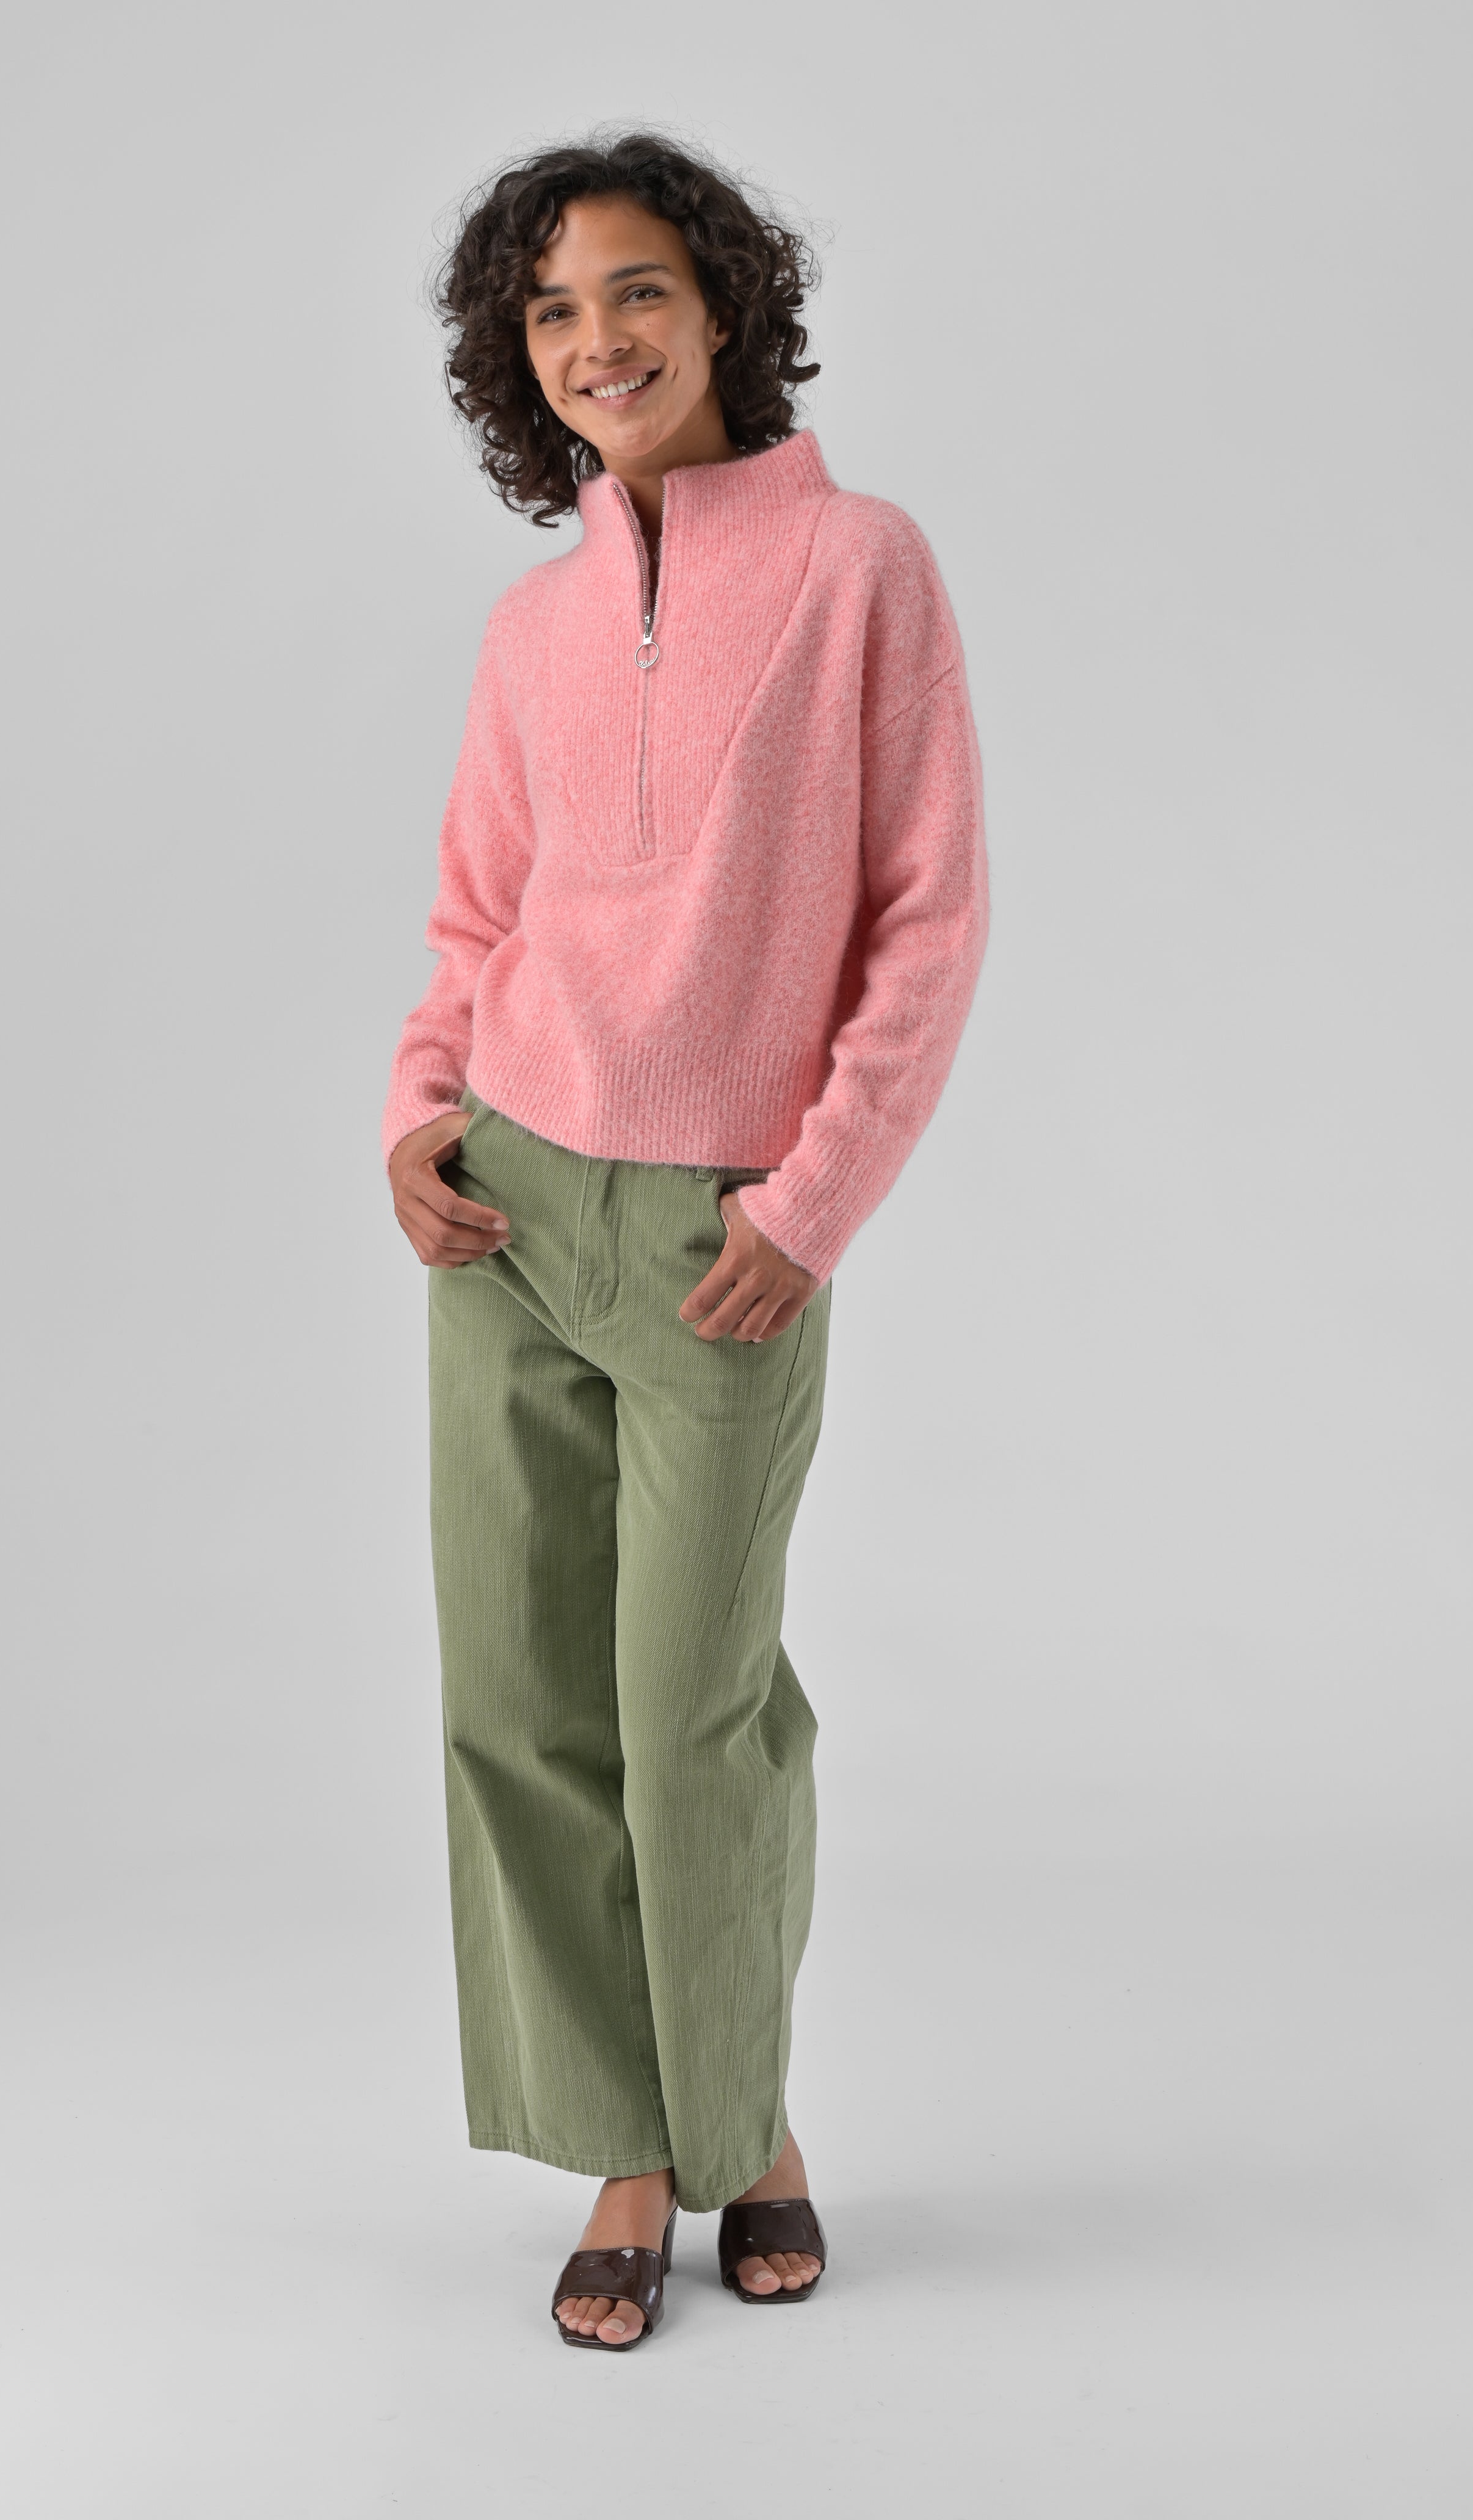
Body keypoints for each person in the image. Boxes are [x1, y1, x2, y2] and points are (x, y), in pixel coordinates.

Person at [384, 132, 987, 2350]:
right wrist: (413, 1115)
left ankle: (750, 2126)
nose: (596, 340)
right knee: (520, 1703)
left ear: (722, 304)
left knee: (690, 1712)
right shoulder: (531, 626)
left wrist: (813, 1202)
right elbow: (478, 912)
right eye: (550, 312)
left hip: (727, 1227)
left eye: (636, 290)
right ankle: (629, 2148)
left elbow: (926, 919)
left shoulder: (859, 568)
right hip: (507, 1207)